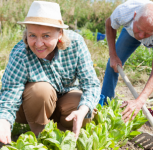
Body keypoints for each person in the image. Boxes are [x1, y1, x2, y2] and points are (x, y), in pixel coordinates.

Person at [0, 1, 100, 144]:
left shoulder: (76, 44)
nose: (38, 44)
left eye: (46, 36)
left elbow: (91, 84)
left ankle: (59, 132)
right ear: (26, 33)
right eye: (32, 35)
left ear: (60, 33)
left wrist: (82, 110)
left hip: (62, 102)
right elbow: (10, 93)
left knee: (83, 106)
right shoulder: (21, 53)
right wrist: (3, 121)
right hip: (31, 106)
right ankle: (41, 135)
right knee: (41, 90)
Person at [101, 0, 153, 136]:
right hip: (130, 32)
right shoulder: (124, 12)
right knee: (113, 63)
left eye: (147, 33)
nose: (141, 37)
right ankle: (103, 108)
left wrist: (139, 101)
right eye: (140, 30)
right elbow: (109, 24)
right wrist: (113, 54)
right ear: (135, 16)